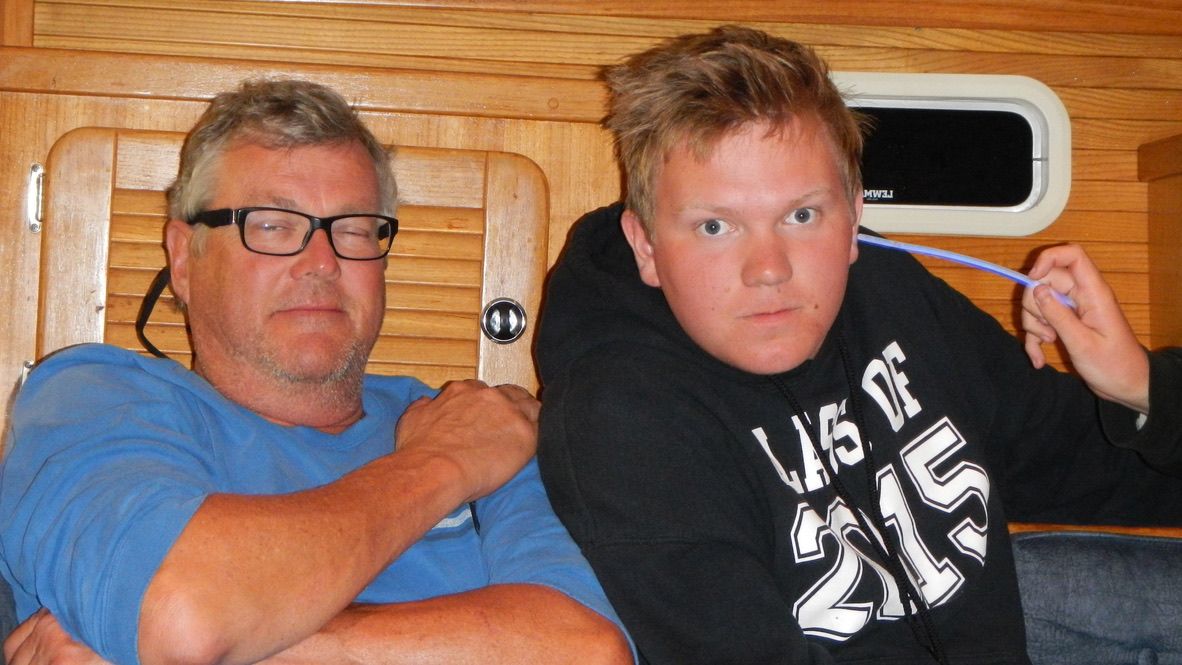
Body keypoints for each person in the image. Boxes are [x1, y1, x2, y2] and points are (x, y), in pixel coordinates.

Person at [534, 25, 1182, 664]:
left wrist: (1139, 387)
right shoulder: (622, 415)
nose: (769, 269)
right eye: (714, 226)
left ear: (853, 221)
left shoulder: (892, 294)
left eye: (802, 215)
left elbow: (1093, 468)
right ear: (646, 246)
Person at [0, 78, 633, 665]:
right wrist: (441, 466)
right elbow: (182, 610)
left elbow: (585, 651)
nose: (322, 262)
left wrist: (224, 643)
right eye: (273, 225)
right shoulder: (94, 398)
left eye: (354, 230)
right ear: (184, 257)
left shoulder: (474, 417)